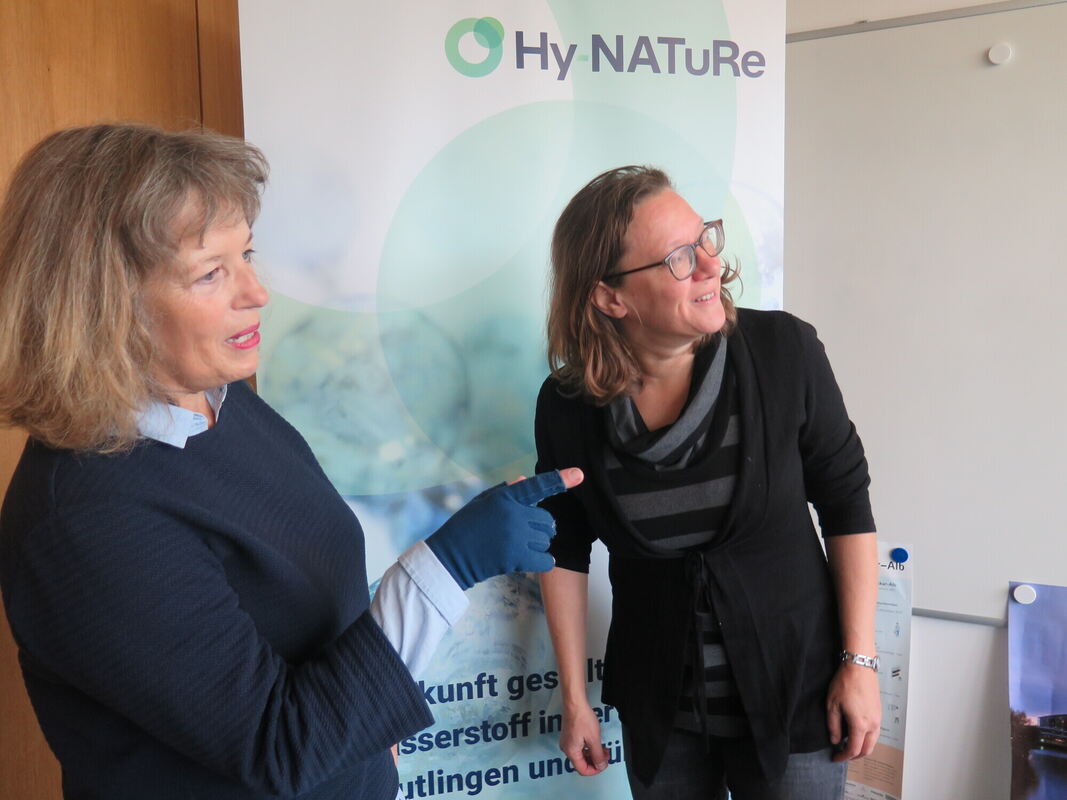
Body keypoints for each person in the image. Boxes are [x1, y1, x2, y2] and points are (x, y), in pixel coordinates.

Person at [0, 123, 581, 800]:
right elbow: (280, 745)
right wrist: (446, 566)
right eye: (211, 272)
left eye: (246, 254)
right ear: (103, 305)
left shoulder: (219, 403)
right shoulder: (88, 519)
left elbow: (309, 620)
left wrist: (373, 743)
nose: (256, 292)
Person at [535, 166, 880, 800]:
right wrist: (575, 699)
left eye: (705, 239)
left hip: (796, 701)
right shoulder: (568, 406)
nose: (710, 265)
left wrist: (859, 663)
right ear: (611, 297)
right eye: (678, 258)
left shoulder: (784, 352)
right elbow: (563, 546)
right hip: (661, 715)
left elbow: (846, 503)